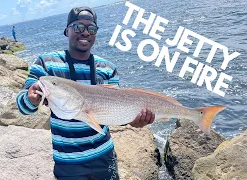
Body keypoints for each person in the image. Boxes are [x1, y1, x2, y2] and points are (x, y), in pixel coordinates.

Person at [16, 6, 155, 180]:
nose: (85, 33)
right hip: (67, 162)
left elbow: (113, 116)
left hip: (104, 156)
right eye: (78, 27)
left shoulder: (108, 69)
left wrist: (134, 121)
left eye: (91, 28)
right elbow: (22, 107)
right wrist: (31, 99)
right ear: (67, 30)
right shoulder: (46, 64)